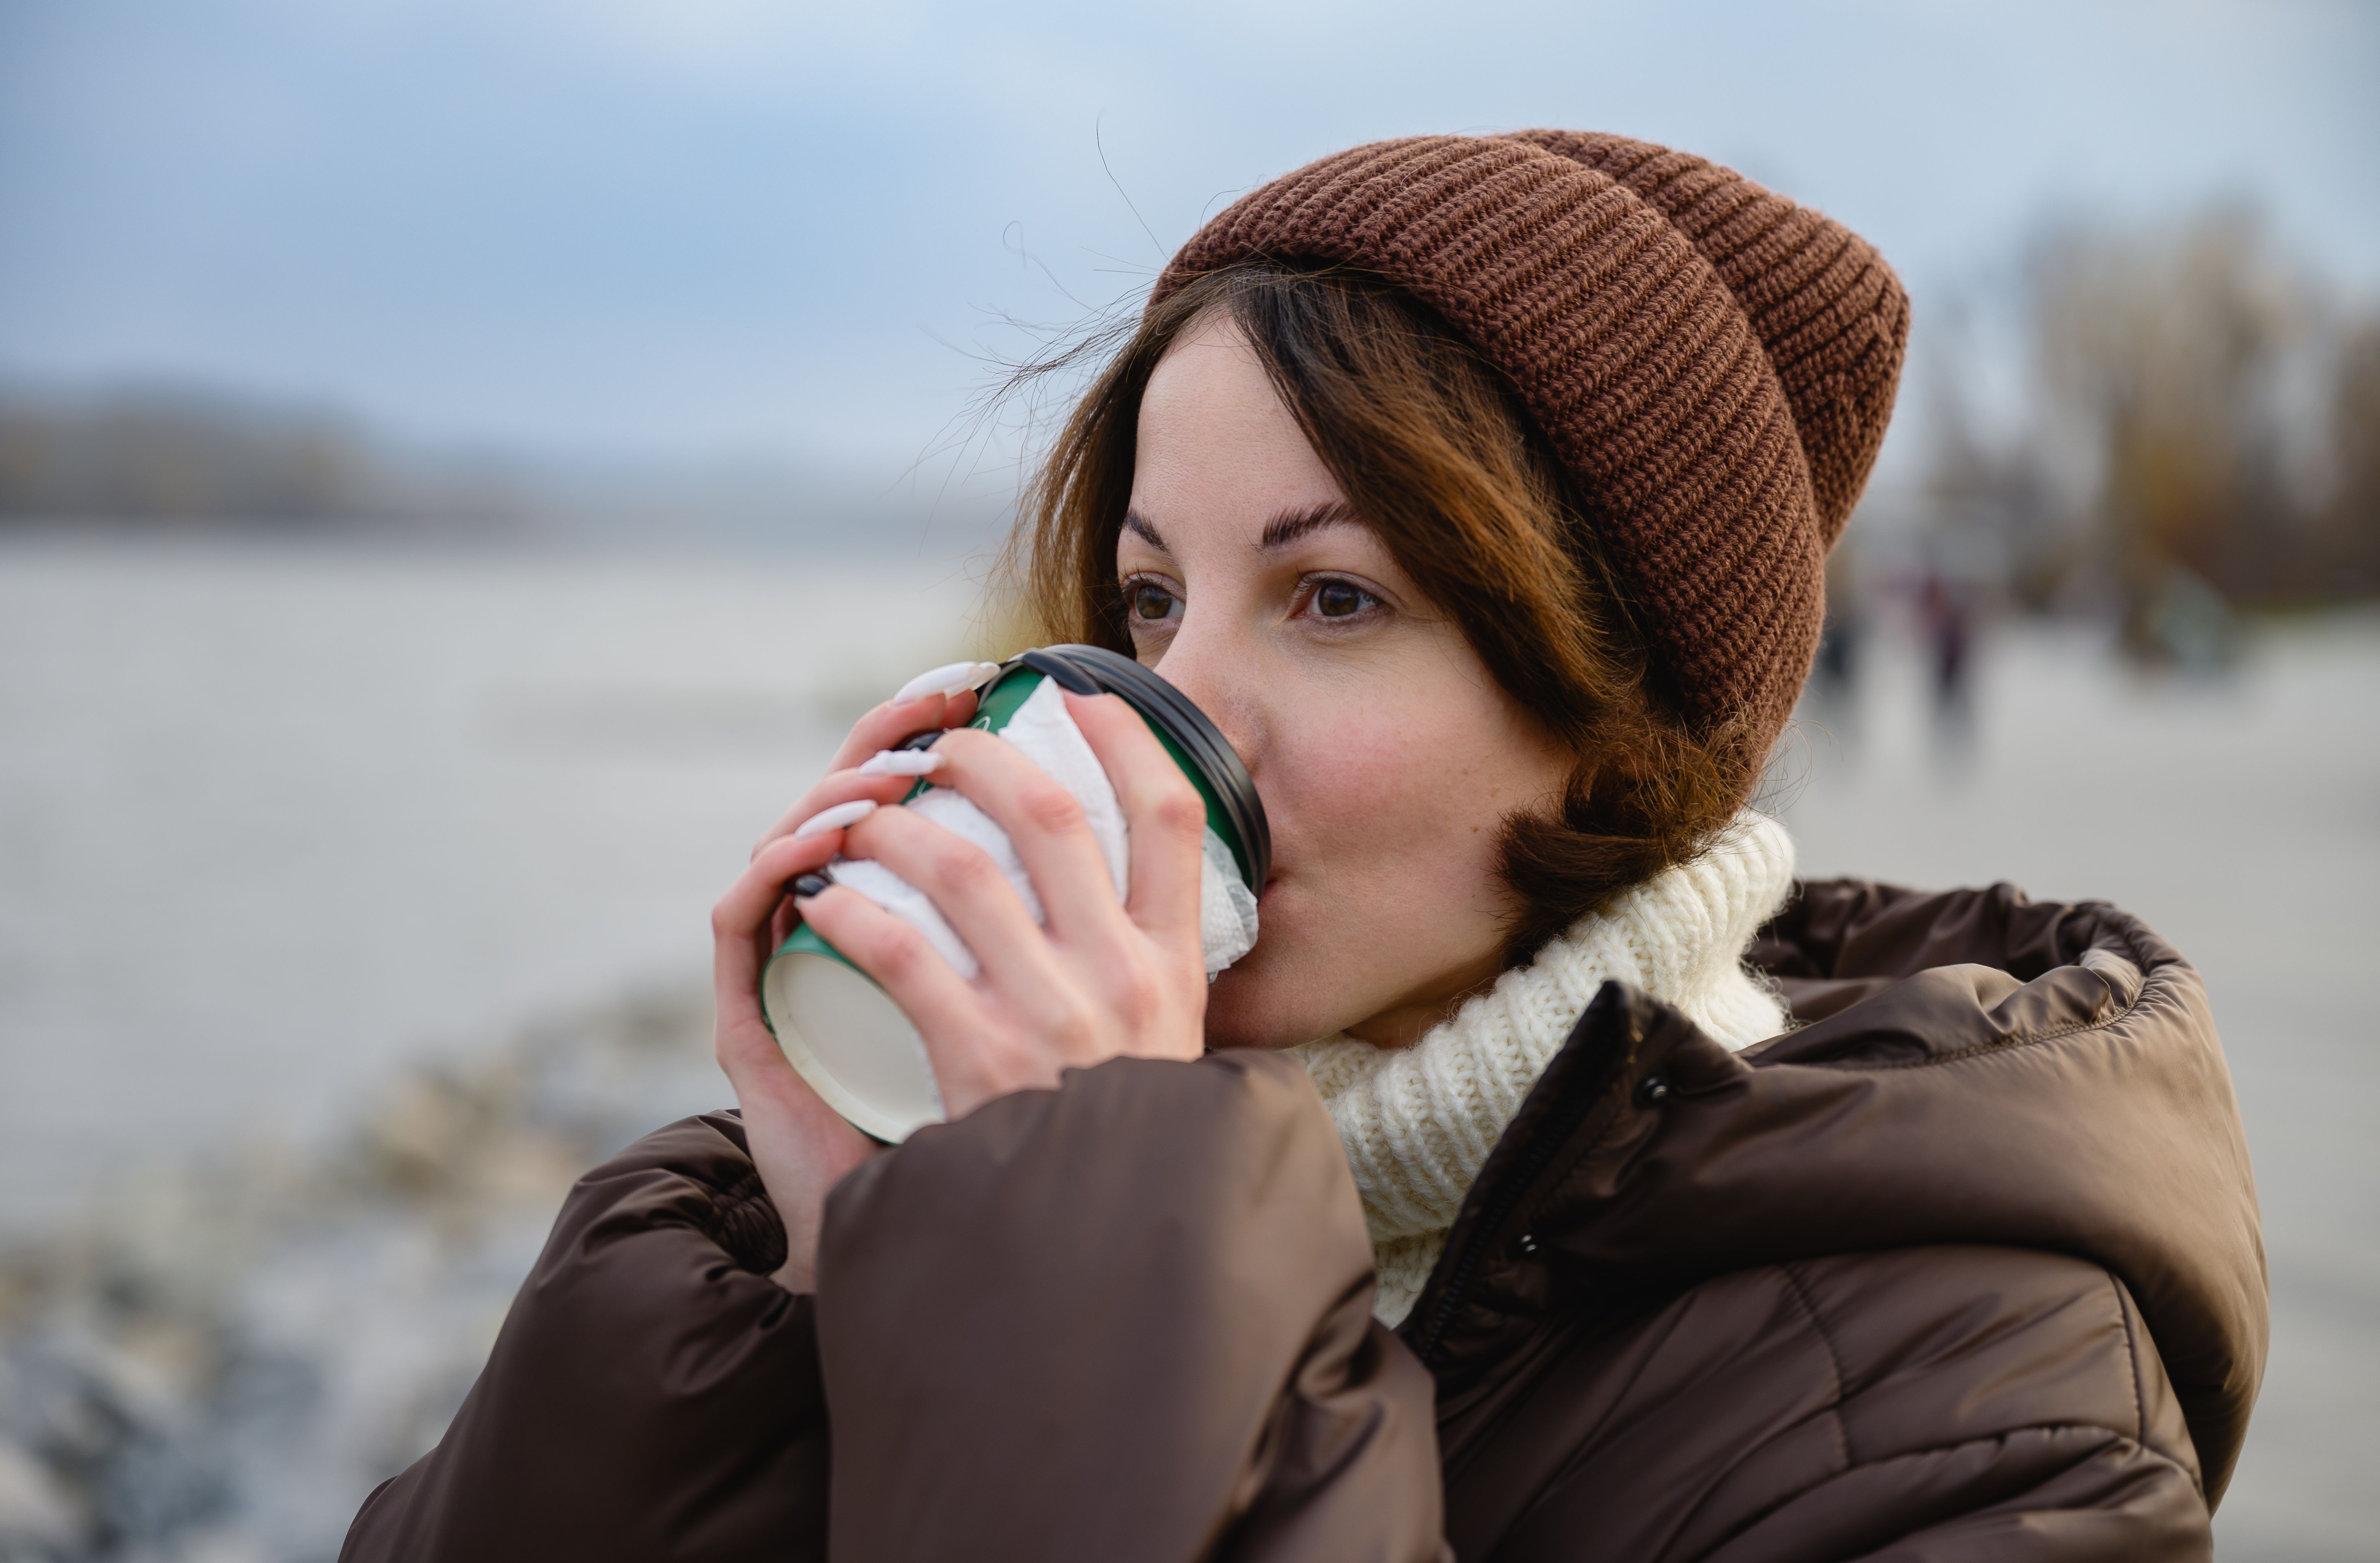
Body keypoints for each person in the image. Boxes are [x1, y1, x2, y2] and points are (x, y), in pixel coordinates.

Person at [340, 133, 2264, 1561]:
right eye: (1153, 596)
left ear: (1616, 733)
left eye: (1333, 598)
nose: (1177, 710)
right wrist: (817, 1291)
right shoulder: (959, 1201)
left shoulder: (1991, 1402)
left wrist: (1087, 1264)